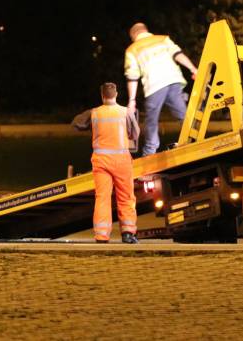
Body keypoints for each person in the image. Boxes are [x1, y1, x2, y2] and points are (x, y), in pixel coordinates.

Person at [72, 82, 140, 244]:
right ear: (116, 95)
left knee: (102, 198)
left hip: (101, 161)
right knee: (126, 197)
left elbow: (76, 123)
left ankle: (102, 236)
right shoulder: (125, 112)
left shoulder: (94, 113)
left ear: (102, 96)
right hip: (122, 160)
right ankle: (128, 234)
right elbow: (136, 133)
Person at [124, 22, 198, 156]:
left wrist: (132, 100)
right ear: (146, 30)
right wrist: (193, 69)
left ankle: (149, 152)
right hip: (174, 80)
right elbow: (178, 55)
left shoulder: (132, 49)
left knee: (151, 120)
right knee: (183, 115)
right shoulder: (163, 39)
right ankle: (194, 141)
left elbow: (132, 76)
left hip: (155, 85)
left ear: (134, 35)